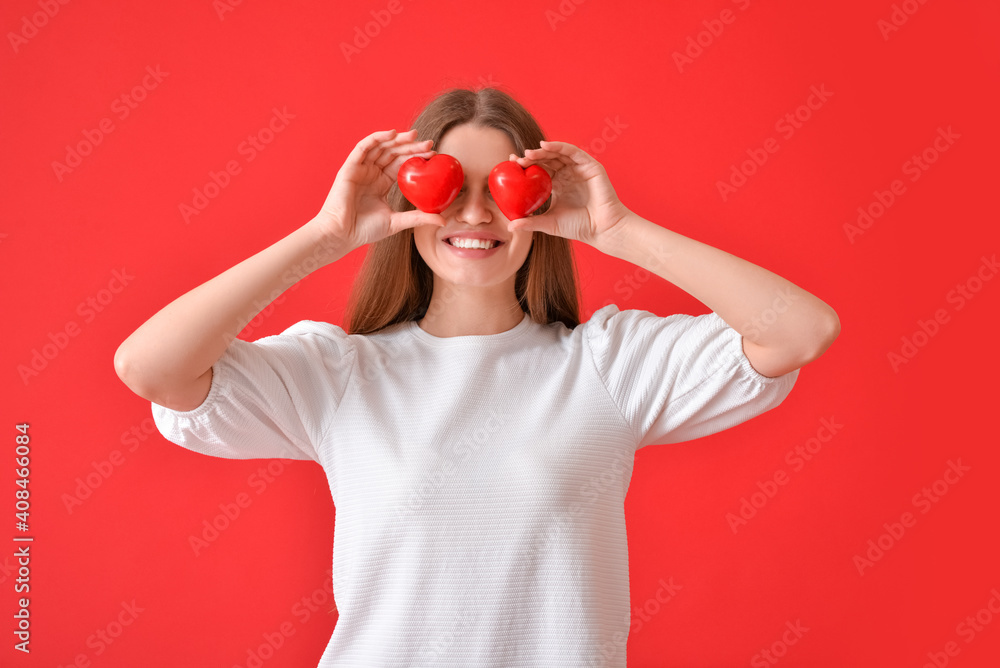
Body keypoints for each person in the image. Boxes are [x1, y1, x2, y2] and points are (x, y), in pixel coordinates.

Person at [114, 87, 840, 667]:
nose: (472, 211)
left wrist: (617, 230)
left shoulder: (609, 366)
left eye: (501, 186)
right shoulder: (338, 373)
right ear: (405, 202)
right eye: (446, 188)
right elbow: (149, 368)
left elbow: (801, 330)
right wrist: (324, 238)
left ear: (541, 200)